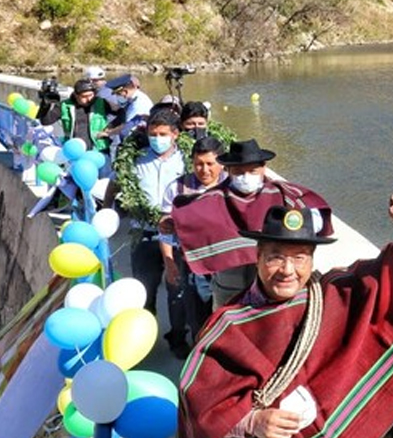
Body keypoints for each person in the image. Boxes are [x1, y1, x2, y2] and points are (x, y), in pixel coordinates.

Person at [177, 197, 393, 438]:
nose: (287, 270)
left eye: (299, 257)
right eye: (275, 256)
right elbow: (199, 408)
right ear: (257, 256)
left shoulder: (333, 294)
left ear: (311, 259)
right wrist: (252, 422)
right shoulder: (229, 324)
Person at [171, 139, 333, 308]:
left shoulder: (284, 193)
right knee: (229, 317)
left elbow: (315, 216)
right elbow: (187, 214)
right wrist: (171, 222)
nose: (246, 177)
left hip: (274, 273)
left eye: (252, 171)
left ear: (263, 168)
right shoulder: (214, 198)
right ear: (228, 170)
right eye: (239, 172)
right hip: (230, 278)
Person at [104, 107, 185, 352]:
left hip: (177, 237)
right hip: (144, 234)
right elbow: (114, 184)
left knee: (177, 289)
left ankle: (178, 337)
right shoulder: (135, 160)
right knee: (144, 288)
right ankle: (144, 340)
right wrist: (106, 210)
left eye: (162, 134)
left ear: (175, 135)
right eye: (153, 134)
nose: (157, 139)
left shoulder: (188, 161)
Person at [157, 136, 226, 357]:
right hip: (193, 265)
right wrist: (169, 263)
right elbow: (165, 232)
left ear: (222, 163)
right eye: (198, 164)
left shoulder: (233, 188)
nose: (204, 170)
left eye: (210, 164)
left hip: (228, 266)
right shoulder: (177, 188)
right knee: (196, 313)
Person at [37, 79, 110, 153]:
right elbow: (45, 121)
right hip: (74, 151)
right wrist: (45, 105)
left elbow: (119, 115)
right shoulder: (64, 106)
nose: (89, 99)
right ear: (76, 95)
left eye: (91, 95)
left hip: (99, 149)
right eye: (84, 96)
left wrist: (111, 130)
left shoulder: (101, 103)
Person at [100, 74, 153, 142]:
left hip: (137, 140)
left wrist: (108, 133)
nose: (117, 97)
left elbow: (128, 125)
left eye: (118, 94)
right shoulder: (132, 99)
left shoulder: (139, 103)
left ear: (125, 91)